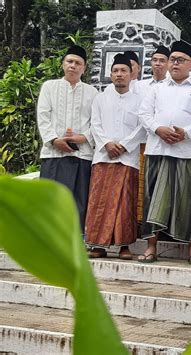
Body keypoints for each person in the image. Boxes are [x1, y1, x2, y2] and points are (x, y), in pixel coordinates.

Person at [139, 40, 191, 264]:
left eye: (180, 60)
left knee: (189, 201)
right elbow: (144, 114)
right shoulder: (156, 88)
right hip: (158, 149)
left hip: (189, 153)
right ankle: (151, 247)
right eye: (172, 59)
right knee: (154, 199)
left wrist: (187, 133)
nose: (175, 64)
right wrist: (158, 129)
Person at [86, 54, 146, 259]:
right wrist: (107, 144)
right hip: (103, 157)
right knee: (99, 201)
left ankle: (124, 246)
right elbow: (95, 124)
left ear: (131, 74)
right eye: (116, 71)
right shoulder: (100, 98)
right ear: (110, 74)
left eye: (124, 71)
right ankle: (97, 245)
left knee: (125, 203)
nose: (119, 75)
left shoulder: (140, 101)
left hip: (128, 159)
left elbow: (142, 127)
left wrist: (123, 145)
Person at [37, 45, 98, 234]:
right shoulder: (50, 86)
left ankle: (75, 240)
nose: (73, 66)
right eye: (69, 61)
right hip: (54, 153)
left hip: (82, 154)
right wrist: (54, 140)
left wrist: (83, 137)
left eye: (78, 63)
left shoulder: (92, 92)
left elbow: (97, 122)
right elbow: (43, 116)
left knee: (78, 200)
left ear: (84, 68)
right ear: (63, 64)